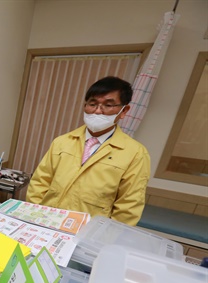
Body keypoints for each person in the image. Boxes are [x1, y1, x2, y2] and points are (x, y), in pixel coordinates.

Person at [26, 76, 151, 226]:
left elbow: (128, 208)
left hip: (88, 233)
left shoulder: (135, 153)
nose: (98, 111)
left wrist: (101, 239)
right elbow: (39, 183)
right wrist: (36, 217)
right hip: (47, 222)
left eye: (108, 105)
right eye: (93, 104)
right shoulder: (62, 142)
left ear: (124, 111)